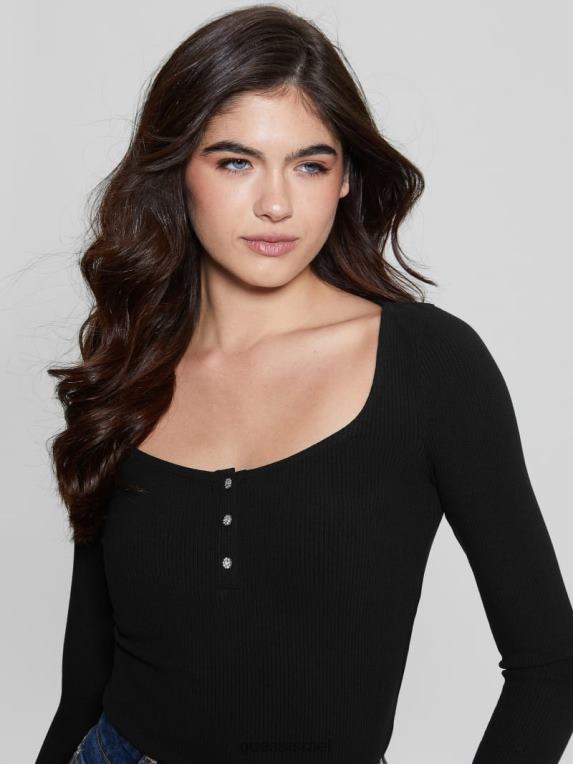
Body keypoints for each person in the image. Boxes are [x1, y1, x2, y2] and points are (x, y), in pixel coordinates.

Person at [35, 5, 573, 764]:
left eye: (309, 165)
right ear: (177, 169)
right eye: (235, 162)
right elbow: (83, 687)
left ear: (346, 177)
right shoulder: (129, 366)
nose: (276, 204)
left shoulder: (429, 365)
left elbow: (551, 666)